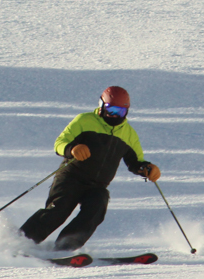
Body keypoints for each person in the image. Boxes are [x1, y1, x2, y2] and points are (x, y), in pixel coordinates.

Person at [19, 86, 161, 252]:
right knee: (58, 212)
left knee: (97, 207)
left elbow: (136, 162)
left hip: (97, 185)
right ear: (101, 106)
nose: (115, 115)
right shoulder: (84, 121)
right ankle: (20, 243)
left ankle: (65, 248)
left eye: (120, 111)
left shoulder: (129, 134)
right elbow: (59, 144)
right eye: (111, 110)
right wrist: (72, 149)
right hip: (71, 177)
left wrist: (147, 168)